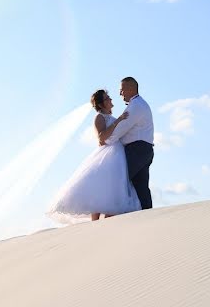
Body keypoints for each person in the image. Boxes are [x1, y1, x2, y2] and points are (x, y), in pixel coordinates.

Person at [46, 89, 142, 223]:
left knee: (113, 191)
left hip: (118, 155)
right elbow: (101, 138)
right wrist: (118, 120)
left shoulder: (113, 118)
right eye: (107, 98)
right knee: (99, 189)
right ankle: (95, 226)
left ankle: (106, 225)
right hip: (107, 155)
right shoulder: (99, 117)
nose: (110, 100)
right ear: (101, 104)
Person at [104, 77, 154, 210]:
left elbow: (121, 128)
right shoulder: (140, 104)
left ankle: (114, 213)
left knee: (119, 182)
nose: (120, 94)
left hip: (136, 150)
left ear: (130, 89)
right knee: (141, 186)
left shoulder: (135, 106)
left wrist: (106, 141)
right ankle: (146, 213)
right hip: (144, 149)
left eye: (122, 90)